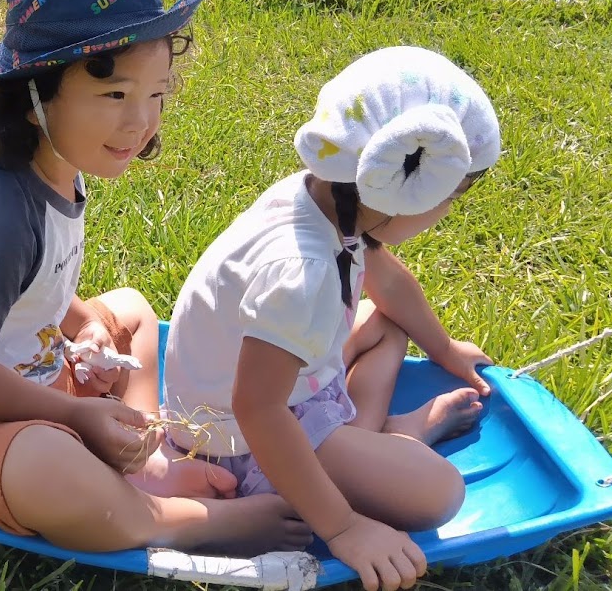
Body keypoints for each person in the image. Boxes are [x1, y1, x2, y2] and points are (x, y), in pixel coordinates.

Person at [0, 0, 313, 556]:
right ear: (33, 95)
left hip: (36, 371)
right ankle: (165, 517)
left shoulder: (57, 168)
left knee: (131, 312)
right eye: (115, 96)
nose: (140, 121)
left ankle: (147, 455)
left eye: (158, 95)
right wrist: (78, 417)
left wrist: (85, 325)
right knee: (47, 466)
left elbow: (38, 295)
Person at [163, 45, 502, 591]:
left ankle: (370, 442)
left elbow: (386, 280)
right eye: (452, 197)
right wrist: (344, 528)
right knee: (439, 493)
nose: (447, 213)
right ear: (412, 189)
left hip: (283, 387)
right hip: (240, 439)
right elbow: (259, 411)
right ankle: (390, 439)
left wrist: (442, 349)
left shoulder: (323, 198)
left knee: (390, 324)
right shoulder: (304, 274)